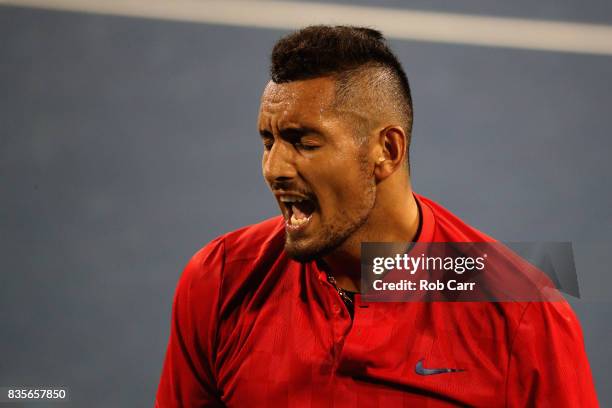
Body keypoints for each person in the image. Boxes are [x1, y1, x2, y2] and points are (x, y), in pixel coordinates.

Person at [156, 25, 598, 407]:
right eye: (268, 141)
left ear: (386, 151)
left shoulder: (521, 315)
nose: (274, 169)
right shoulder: (220, 280)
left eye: (304, 142)